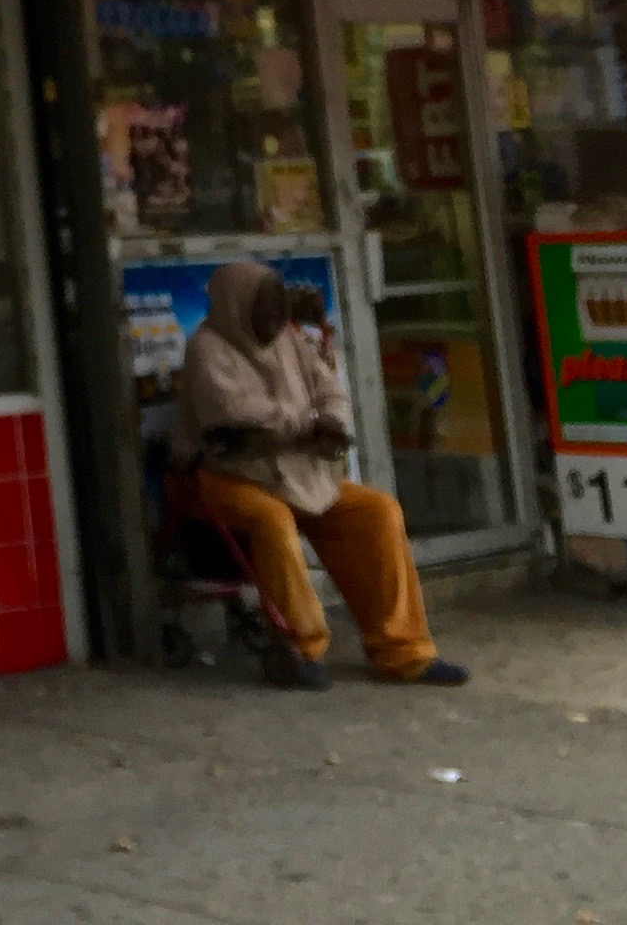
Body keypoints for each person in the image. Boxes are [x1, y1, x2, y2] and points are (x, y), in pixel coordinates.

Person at [175, 258, 468, 691]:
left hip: (300, 470)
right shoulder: (207, 348)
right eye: (263, 308)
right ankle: (303, 648)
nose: (274, 319)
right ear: (237, 305)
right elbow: (235, 413)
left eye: (277, 308)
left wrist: (329, 420)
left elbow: (330, 389)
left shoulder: (288, 339)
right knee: (272, 520)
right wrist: (306, 425)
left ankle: (403, 651)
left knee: (378, 511)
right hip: (230, 477)